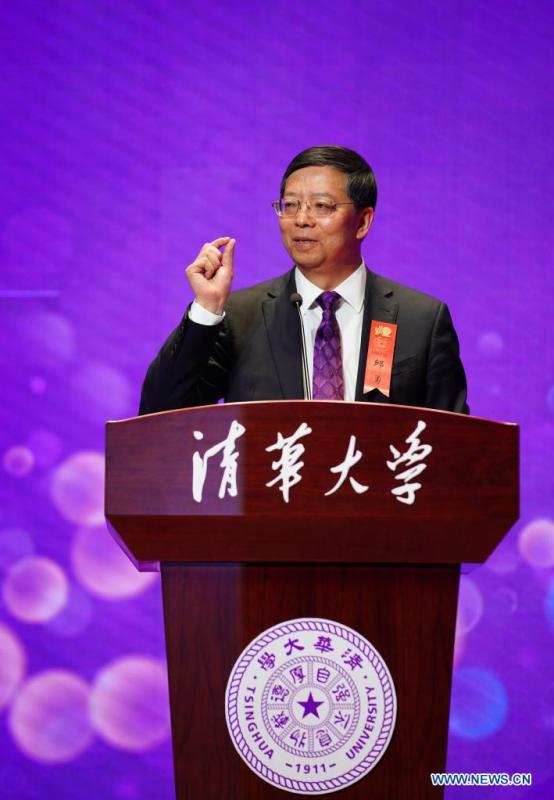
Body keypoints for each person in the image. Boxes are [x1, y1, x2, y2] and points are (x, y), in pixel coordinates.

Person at [139, 146, 468, 414]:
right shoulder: (240, 317)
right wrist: (206, 310)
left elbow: (455, 445)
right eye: (291, 205)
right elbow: (161, 413)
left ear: (362, 222)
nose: (301, 220)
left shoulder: (420, 319)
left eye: (321, 206)